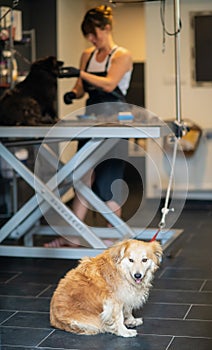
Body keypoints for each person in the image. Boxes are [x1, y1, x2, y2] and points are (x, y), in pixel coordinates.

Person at [45, 5, 133, 247]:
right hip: (91, 118)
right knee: (82, 173)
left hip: (115, 119)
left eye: (95, 34)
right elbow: (81, 86)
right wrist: (73, 93)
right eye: (89, 37)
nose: (92, 40)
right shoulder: (88, 54)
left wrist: (81, 73)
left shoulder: (122, 55)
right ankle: (72, 235)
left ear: (106, 28)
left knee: (109, 178)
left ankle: (115, 237)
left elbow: (109, 83)